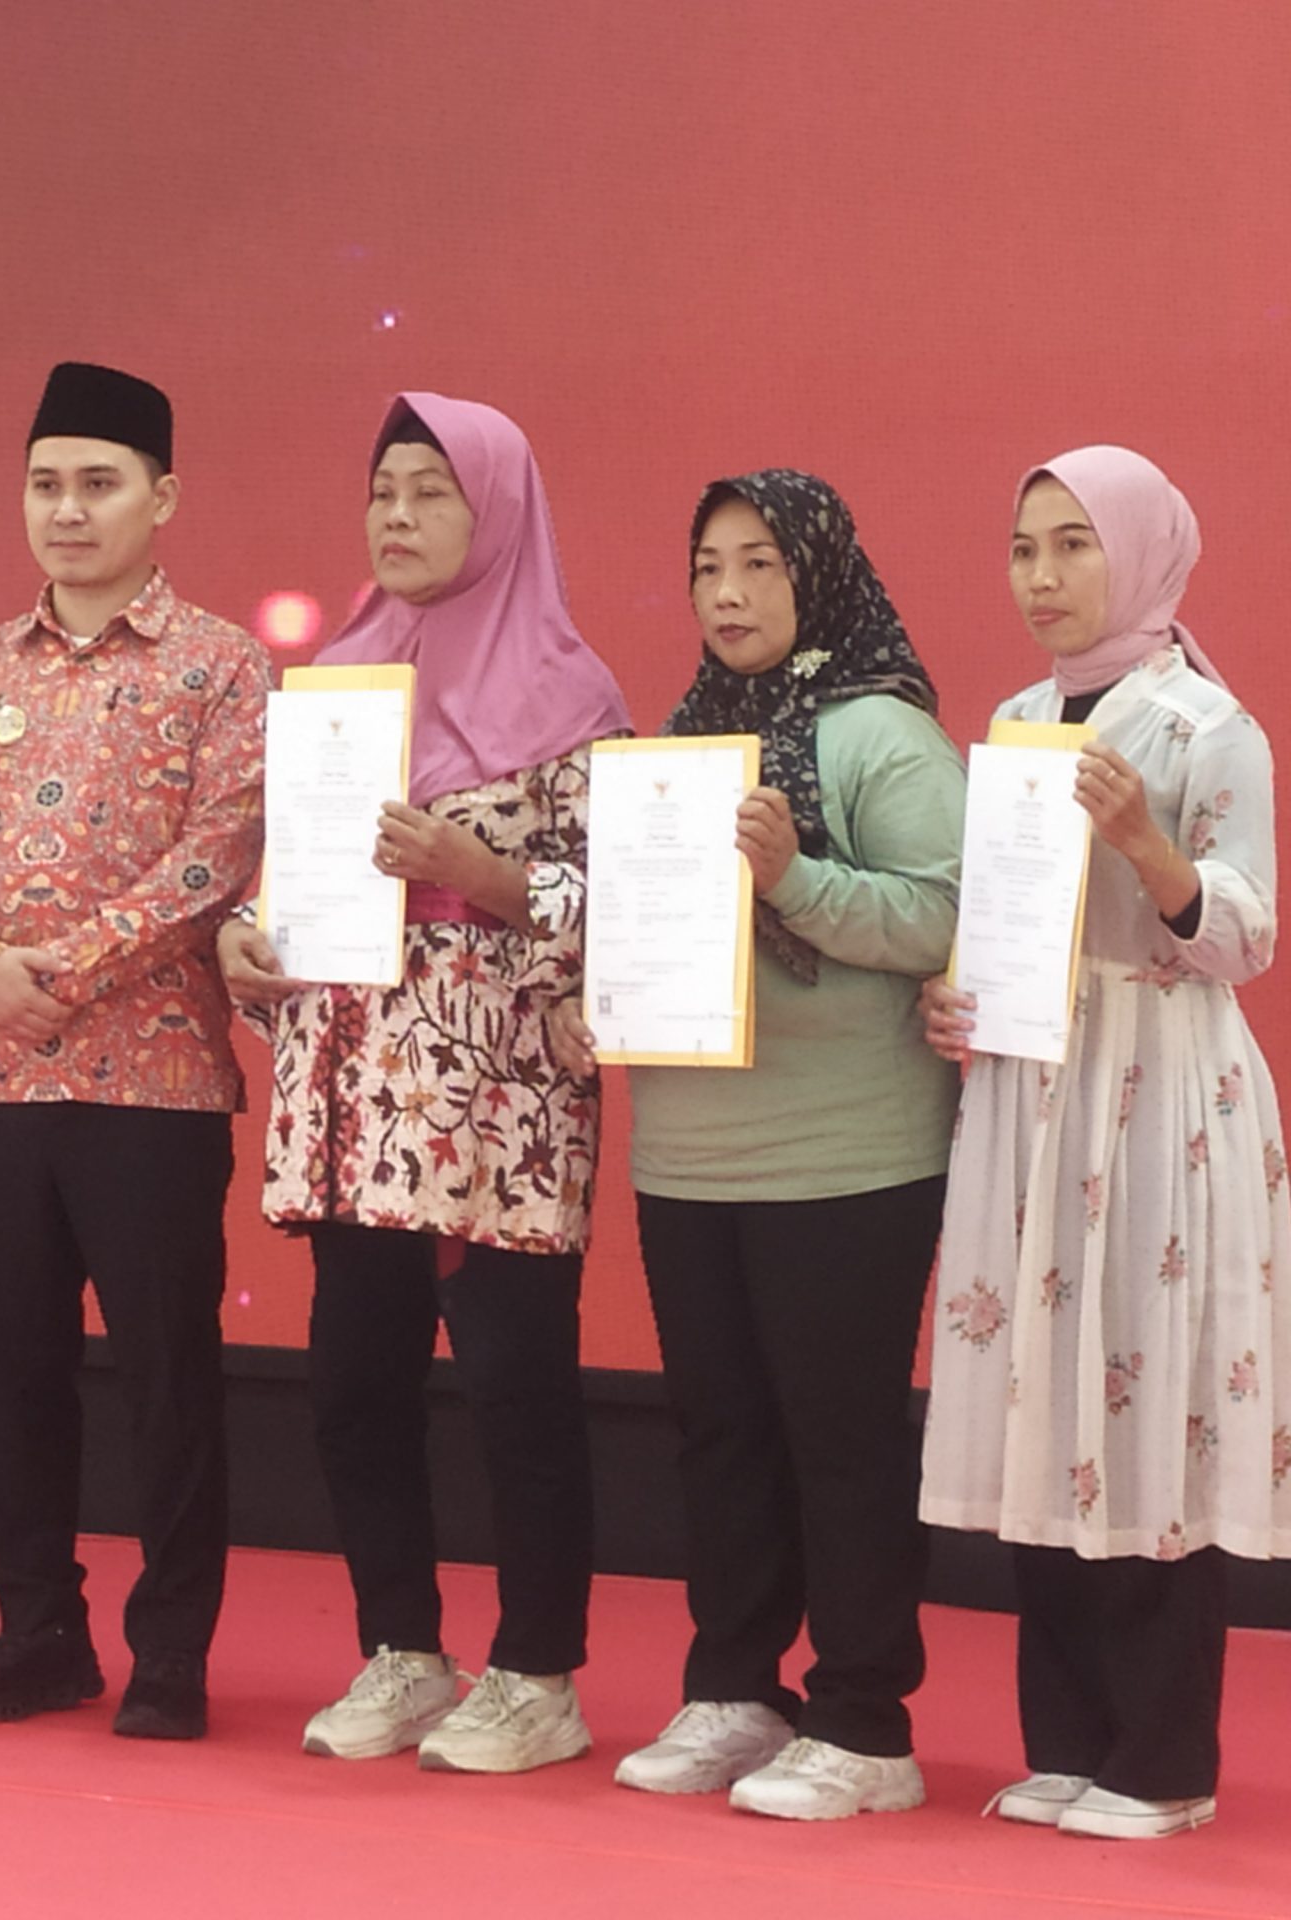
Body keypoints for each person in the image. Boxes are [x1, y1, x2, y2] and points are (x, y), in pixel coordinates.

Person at [219, 392, 629, 1772]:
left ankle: (539, 1673)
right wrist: (249, 940)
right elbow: (298, 872)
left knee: (516, 1385)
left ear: (496, 510)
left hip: (498, 1102)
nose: (396, 517)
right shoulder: (340, 678)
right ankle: (400, 1650)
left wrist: (489, 878)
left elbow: (636, 908)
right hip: (354, 1099)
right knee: (354, 1383)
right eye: (382, 491)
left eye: (429, 492)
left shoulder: (572, 697)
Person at [552, 471, 965, 1820]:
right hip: (690, 1152)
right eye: (706, 569)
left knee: (839, 1441)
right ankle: (734, 1687)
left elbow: (946, 920)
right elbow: (647, 923)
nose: (726, 596)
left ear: (818, 572)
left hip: (847, 1155)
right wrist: (596, 999)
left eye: (759, 566)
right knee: (719, 1434)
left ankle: (864, 1719)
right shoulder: (684, 742)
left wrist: (794, 876)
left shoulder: (883, 733)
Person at [920, 446, 1287, 1840]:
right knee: (1046, 1396)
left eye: (1073, 544)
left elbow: (1245, 937)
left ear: (1138, 554)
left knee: (1148, 1396)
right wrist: (958, 994)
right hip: (1032, 1091)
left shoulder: (1206, 727)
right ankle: (1070, 1741)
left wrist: (1150, 846)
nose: (1043, 576)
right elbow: (1005, 919)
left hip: (1156, 1095)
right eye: (1025, 547)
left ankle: (1163, 1763)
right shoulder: (1019, 719)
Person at [0, 363, 267, 1741]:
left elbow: (219, 852)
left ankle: (171, 1650)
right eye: (47, 484)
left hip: (153, 1078)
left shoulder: (222, 665)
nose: (68, 510)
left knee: (167, 1372)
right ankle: (35, 1629)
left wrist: (62, 968)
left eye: (98, 484)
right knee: (15, 1368)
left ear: (161, 500)